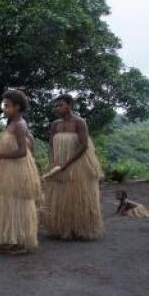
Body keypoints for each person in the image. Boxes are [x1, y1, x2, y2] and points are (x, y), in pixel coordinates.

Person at [42, 94, 104, 240]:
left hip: (77, 165)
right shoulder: (55, 124)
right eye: (56, 105)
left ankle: (79, 228)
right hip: (58, 165)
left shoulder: (79, 122)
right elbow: (51, 145)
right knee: (60, 197)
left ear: (70, 105)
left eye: (61, 105)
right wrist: (52, 162)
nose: (58, 108)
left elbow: (84, 145)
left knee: (77, 197)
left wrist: (67, 164)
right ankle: (61, 228)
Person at [0, 90, 42, 254]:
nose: (4, 109)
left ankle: (20, 243)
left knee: (17, 205)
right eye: (4, 105)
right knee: (7, 204)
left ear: (17, 107)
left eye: (7, 106)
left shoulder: (20, 124)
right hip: (8, 169)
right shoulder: (11, 124)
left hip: (17, 169)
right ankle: (7, 239)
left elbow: (22, 152)